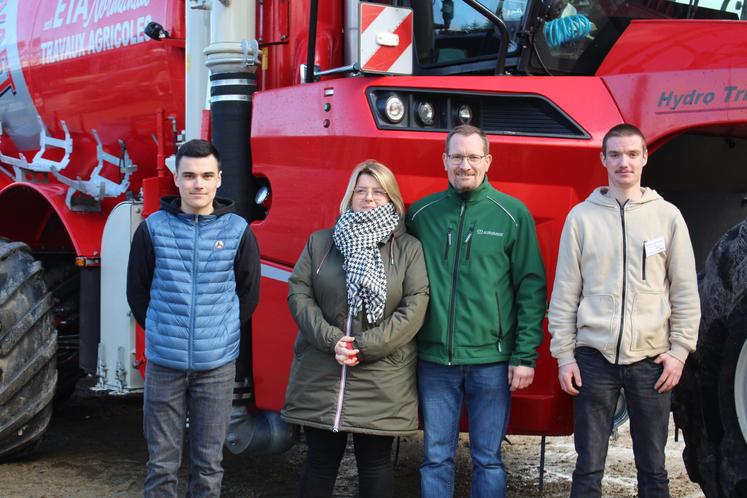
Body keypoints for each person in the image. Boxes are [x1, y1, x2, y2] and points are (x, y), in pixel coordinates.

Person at [548, 123, 700, 497]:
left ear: (645, 157)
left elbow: (685, 291)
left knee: (653, 468)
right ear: (603, 159)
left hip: (651, 360)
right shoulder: (581, 217)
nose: (624, 162)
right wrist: (564, 355)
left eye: (632, 154)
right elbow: (565, 292)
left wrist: (679, 352)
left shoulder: (667, 217)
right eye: (614, 154)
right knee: (588, 467)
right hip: (594, 359)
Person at [406, 124, 547, 498]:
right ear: (444, 161)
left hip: (493, 362)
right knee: (436, 457)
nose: (464, 165)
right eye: (456, 156)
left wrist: (525, 355)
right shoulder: (421, 215)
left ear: (487, 161)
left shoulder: (512, 215)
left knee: (488, 458)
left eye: (472, 157)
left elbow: (530, 289)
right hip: (434, 361)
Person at [281, 160, 429, 498]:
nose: (369, 197)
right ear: (350, 196)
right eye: (361, 190)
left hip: (381, 375)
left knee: (375, 464)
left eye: (378, 191)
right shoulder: (320, 243)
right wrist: (333, 341)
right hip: (323, 370)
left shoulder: (408, 249)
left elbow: (415, 306)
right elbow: (298, 292)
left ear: (392, 199)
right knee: (320, 461)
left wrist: (364, 346)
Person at [126, 139, 260, 497]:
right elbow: (137, 292)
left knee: (208, 466)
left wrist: (221, 333)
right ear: (177, 178)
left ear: (218, 179)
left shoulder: (237, 231)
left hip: (216, 366)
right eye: (188, 175)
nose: (197, 184)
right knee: (161, 464)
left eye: (205, 175)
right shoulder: (152, 229)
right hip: (164, 364)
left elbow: (248, 294)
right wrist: (162, 329)